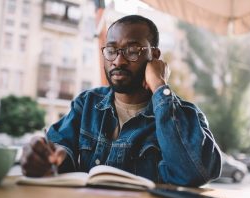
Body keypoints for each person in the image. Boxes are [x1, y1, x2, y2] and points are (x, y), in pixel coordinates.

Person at [21, 15, 221, 187]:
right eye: (111, 50)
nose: (118, 60)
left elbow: (195, 173)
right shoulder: (87, 103)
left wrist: (159, 86)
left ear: (155, 56)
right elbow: (59, 147)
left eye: (132, 51)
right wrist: (48, 157)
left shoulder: (185, 115)